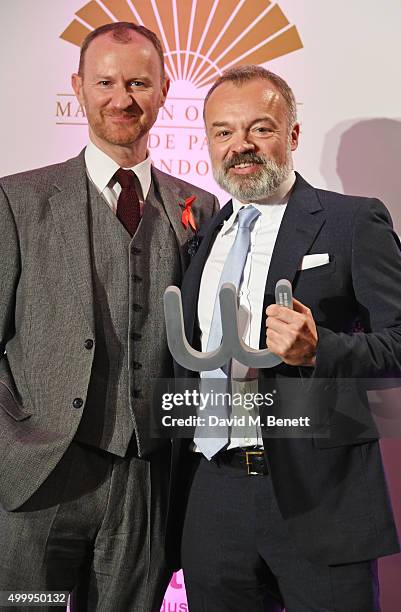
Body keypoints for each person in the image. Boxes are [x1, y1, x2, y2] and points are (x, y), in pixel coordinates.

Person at [0, 21, 218, 611]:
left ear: (165, 90)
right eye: (106, 82)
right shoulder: (17, 200)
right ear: (78, 87)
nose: (122, 98)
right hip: (37, 478)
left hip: (148, 479)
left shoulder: (198, 204)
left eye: (139, 83)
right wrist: (12, 436)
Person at [175, 65, 401, 611]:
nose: (241, 146)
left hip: (319, 492)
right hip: (214, 492)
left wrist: (320, 347)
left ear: (292, 134)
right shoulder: (203, 234)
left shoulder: (351, 222)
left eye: (260, 127)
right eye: (223, 132)